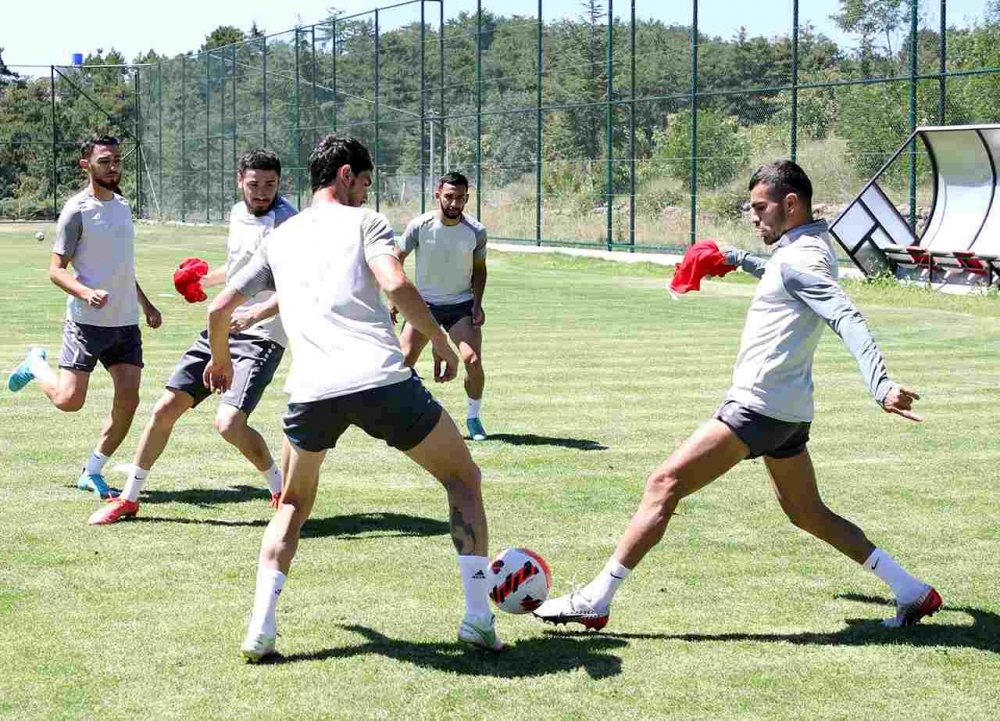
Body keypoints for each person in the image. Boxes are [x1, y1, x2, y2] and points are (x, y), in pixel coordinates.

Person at [535, 159, 942, 631]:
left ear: (791, 204)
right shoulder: (807, 249)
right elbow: (781, 275)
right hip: (787, 412)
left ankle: (595, 599)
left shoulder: (802, 258)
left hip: (757, 406)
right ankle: (911, 590)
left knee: (664, 484)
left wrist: (880, 383)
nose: (753, 216)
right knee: (807, 512)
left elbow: (845, 315)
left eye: (760, 207)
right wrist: (736, 257)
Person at [202, 135, 502, 662]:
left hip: (311, 391)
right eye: (364, 182)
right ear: (345, 175)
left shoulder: (280, 236)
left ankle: (260, 631)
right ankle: (478, 618)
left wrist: (221, 359)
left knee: (292, 505)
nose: (366, 192)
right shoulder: (366, 222)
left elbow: (218, 309)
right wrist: (439, 341)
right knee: (463, 479)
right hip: (380, 380)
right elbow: (396, 285)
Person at [88, 150, 297, 525]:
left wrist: (254, 314)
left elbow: (298, 286)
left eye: (270, 184)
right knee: (164, 409)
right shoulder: (237, 213)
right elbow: (241, 268)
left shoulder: (290, 224)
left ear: (280, 182)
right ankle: (129, 499)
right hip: (220, 328)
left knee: (229, 424)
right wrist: (203, 280)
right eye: (254, 184)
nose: (262, 192)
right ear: (240, 180)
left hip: (261, 336)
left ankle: (281, 489)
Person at [7, 134, 161, 499]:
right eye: (105, 161)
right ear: (85, 165)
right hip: (86, 324)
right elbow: (56, 270)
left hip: (125, 323)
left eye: (117, 160)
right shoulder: (76, 210)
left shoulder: (123, 207)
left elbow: (122, 268)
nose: (113, 167)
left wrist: (146, 304)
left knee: (129, 403)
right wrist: (85, 293)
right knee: (69, 401)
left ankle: (91, 471)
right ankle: (35, 364)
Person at [391, 171, 490, 441]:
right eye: (449, 197)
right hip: (424, 306)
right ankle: (405, 416)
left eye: (461, 198)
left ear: (467, 198)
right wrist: (395, 300)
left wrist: (478, 304)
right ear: (438, 195)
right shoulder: (419, 225)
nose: (454, 203)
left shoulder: (476, 231)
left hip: (461, 306)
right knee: (403, 362)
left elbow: (480, 269)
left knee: (473, 361)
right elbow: (396, 259)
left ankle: (473, 418)